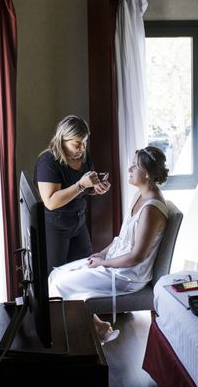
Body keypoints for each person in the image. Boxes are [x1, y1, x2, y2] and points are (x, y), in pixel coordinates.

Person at [48, 146, 169, 342]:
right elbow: (121, 239)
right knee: (55, 274)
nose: (129, 170)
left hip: (127, 275)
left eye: (134, 167)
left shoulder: (151, 210)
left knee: (60, 285)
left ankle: (75, 339)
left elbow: (137, 256)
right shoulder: (139, 195)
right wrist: (102, 254)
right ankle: (97, 327)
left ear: (146, 174)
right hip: (115, 262)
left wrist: (102, 264)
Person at [35, 115, 110, 273]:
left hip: (79, 222)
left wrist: (95, 188)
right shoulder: (48, 161)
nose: (83, 148)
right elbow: (51, 202)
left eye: (85, 142)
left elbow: (85, 189)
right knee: (55, 275)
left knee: (84, 269)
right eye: (77, 144)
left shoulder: (84, 156)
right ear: (62, 140)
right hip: (55, 227)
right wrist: (82, 185)